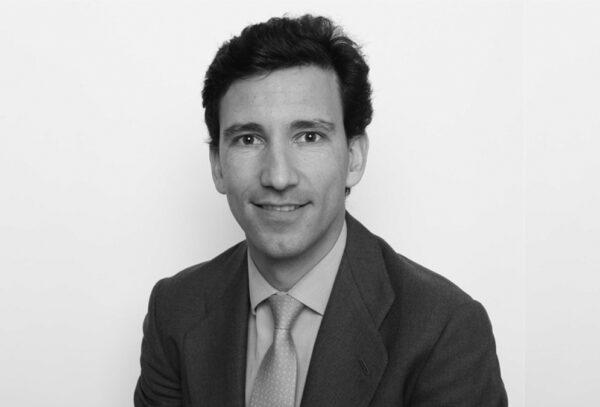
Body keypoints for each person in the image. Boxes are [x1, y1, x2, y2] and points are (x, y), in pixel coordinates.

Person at [134, 14, 508, 407]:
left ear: (354, 158)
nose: (278, 176)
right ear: (217, 166)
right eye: (248, 139)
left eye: (309, 136)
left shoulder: (445, 330)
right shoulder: (174, 311)